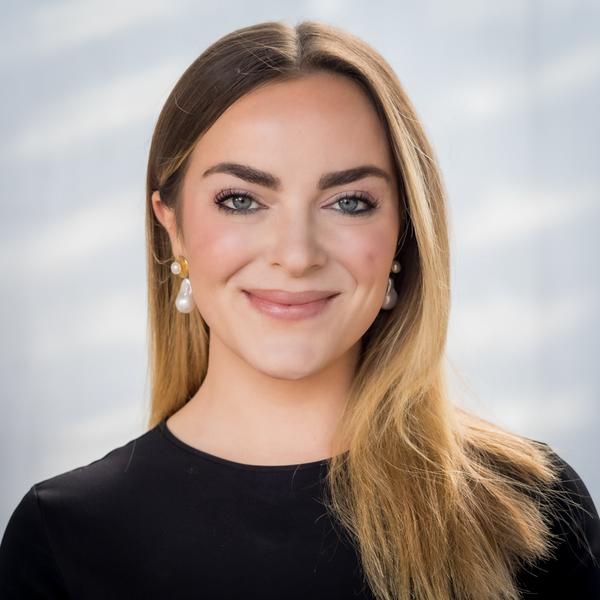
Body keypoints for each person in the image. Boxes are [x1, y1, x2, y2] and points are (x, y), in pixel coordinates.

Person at [0, 19, 598, 600]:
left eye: (349, 202)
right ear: (172, 226)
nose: (296, 255)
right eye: (241, 200)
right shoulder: (61, 539)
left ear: (404, 232)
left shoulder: (531, 511)